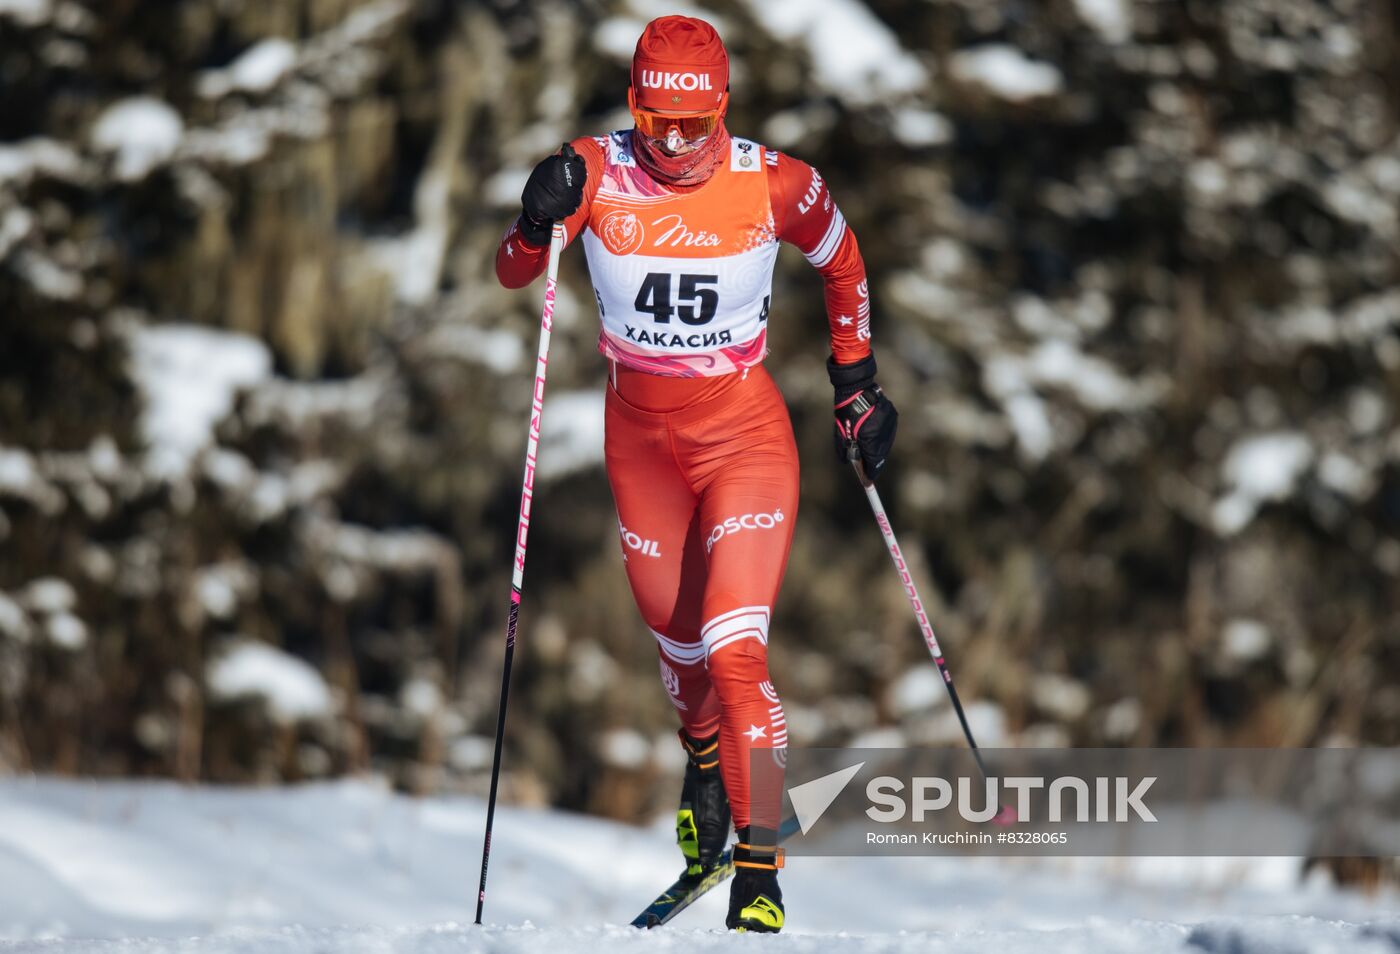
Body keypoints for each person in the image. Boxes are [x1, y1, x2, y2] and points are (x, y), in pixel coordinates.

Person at [495, 14, 897, 933]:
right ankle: (704, 760)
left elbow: (843, 260)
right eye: (655, 123)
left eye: (695, 125)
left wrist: (856, 381)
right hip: (641, 446)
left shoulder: (775, 182)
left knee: (734, 649)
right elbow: (514, 273)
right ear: (634, 105)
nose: (673, 144)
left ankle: (760, 869)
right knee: (680, 659)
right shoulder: (595, 170)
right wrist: (532, 218)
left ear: (723, 109)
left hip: (743, 435)